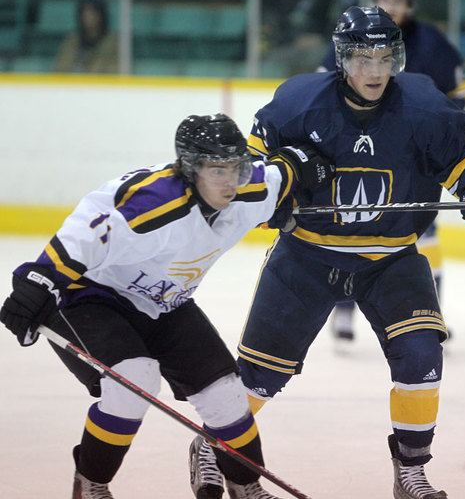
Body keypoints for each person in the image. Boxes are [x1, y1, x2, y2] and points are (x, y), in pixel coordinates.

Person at [189, 6, 465, 499]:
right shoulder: (299, 104)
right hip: (308, 256)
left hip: (390, 258)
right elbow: (254, 167)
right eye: (362, 59)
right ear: (342, 59)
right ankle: (213, 446)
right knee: (260, 376)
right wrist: (276, 191)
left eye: (385, 57)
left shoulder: (424, 106)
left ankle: (411, 470)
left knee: (422, 355)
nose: (375, 71)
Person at [0, 113, 333, 499]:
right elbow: (85, 232)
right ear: (191, 170)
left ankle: (246, 486)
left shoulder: (252, 190)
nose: (231, 181)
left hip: (165, 302)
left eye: (237, 167)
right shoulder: (153, 203)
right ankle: (91, 483)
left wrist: (307, 164)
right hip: (91, 295)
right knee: (134, 383)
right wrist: (37, 281)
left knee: (226, 395)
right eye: (217, 170)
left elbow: (285, 171)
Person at [319, 0, 465, 348]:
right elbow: (323, 91)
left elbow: (459, 98)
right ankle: (343, 308)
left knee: (426, 233)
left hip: (414, 156)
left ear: (410, 3)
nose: (391, 6)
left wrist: (441, 139)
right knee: (351, 224)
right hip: (358, 151)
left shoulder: (431, 42)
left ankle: (430, 310)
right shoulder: (352, 32)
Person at [54, 0, 119, 74]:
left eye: (92, 12)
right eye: (84, 12)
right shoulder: (71, 41)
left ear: (101, 15)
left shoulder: (113, 43)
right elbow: (59, 69)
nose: (88, 16)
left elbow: (115, 71)